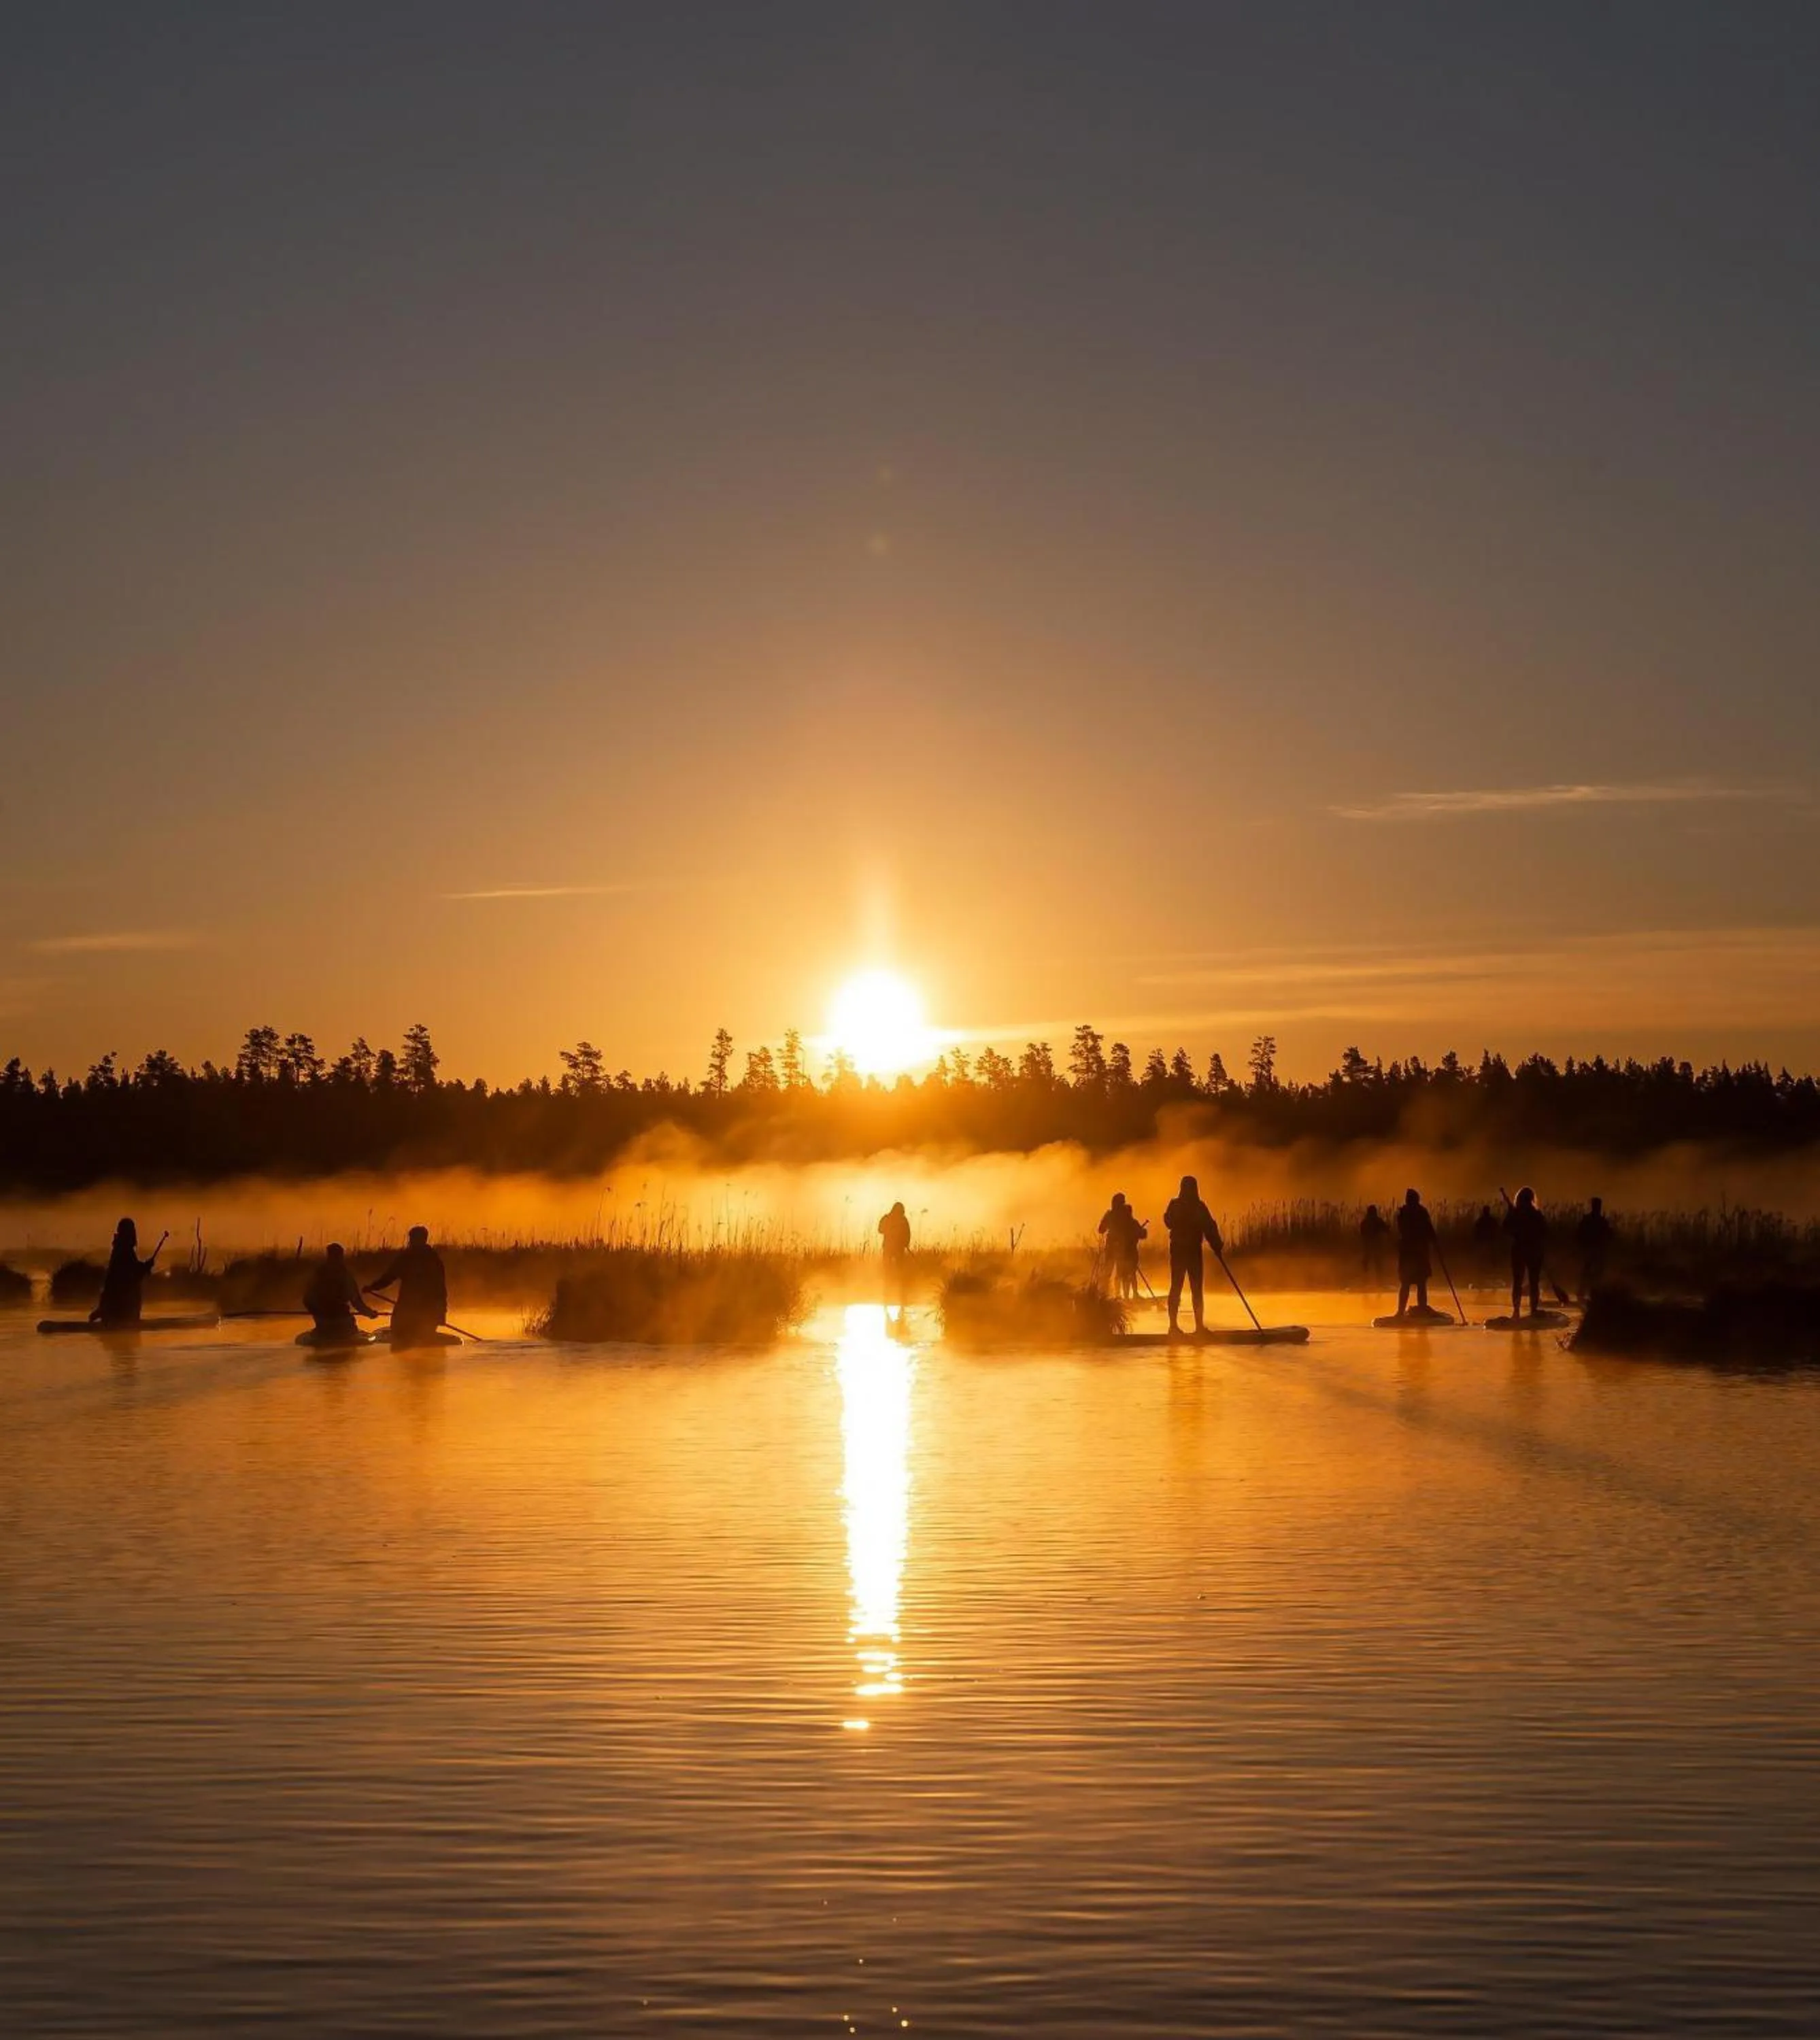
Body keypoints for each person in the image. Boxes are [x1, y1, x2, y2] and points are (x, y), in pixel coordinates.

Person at [1162, 1174, 1223, 1336]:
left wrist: (1216, 1245)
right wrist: (1216, 1244)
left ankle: (1183, 1327)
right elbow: (1209, 1227)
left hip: (1183, 1250)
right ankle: (1181, 1327)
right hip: (1186, 1251)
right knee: (1186, 1288)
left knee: (1183, 1287)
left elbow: (1209, 1227)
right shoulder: (1196, 1206)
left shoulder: (1182, 1205)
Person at [369, 1225, 448, 1346]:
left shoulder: (408, 1257)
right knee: (422, 1336)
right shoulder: (433, 1258)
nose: (410, 1241)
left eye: (412, 1238)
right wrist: (441, 1312)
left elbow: (389, 1277)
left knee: (400, 1336)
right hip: (426, 1309)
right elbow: (441, 1288)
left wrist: (372, 1287)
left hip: (409, 1308)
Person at [91, 1217, 161, 1326]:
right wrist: (146, 1267)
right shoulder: (124, 1250)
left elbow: (129, 1271)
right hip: (123, 1307)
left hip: (116, 1305)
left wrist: (145, 1267)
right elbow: (130, 1275)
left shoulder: (120, 1249)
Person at [302, 1243, 375, 1340]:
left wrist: (317, 1313)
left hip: (323, 1323)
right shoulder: (345, 1276)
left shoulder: (317, 1275)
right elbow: (356, 1303)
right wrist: (370, 1314)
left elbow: (307, 1300)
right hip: (342, 1322)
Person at [1504, 1187, 1549, 1318]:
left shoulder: (1526, 1214)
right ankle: (1530, 1310)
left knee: (1520, 1281)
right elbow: (1544, 1232)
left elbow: (1506, 1229)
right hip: (1529, 1250)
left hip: (1524, 1250)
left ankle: (1517, 1311)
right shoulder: (1535, 1214)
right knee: (1532, 1282)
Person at [1097, 1193, 1149, 1302]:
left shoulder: (1113, 1215)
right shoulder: (1123, 1215)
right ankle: (1116, 1295)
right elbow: (1101, 1229)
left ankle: (1115, 1296)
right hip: (1120, 1249)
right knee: (1122, 1272)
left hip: (1121, 1248)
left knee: (1121, 1272)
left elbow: (1101, 1230)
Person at [1394, 1189, 1436, 1317]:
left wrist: (1433, 1239)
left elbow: (1429, 1230)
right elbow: (1406, 1230)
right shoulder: (1406, 1213)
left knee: (1420, 1282)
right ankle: (1402, 1311)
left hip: (1418, 1253)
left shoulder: (1420, 1212)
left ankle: (1421, 1310)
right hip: (1411, 1253)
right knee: (1408, 1282)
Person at [1574, 1196, 1615, 1299]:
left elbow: (1580, 1233)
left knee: (1593, 1272)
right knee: (1592, 1271)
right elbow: (1580, 1234)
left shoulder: (1593, 1220)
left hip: (1595, 1250)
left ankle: (1586, 1292)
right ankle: (1588, 1292)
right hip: (1594, 1250)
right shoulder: (1600, 1221)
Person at [877, 1201, 912, 1309]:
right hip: (889, 1248)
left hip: (898, 1249)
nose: (902, 1213)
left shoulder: (902, 1220)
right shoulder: (888, 1218)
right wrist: (890, 1231)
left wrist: (905, 1242)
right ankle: (887, 1292)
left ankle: (901, 1293)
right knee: (887, 1270)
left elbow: (907, 1234)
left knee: (900, 1270)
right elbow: (880, 1230)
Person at [1359, 1204, 1392, 1282]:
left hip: (1368, 1245)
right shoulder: (1378, 1220)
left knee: (1367, 1263)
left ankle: (1366, 1279)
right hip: (1376, 1245)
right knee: (1377, 1264)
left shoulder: (1365, 1222)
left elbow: (1362, 1233)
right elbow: (1386, 1230)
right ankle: (1378, 1280)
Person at [1470, 1204, 1500, 1276]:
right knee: (1489, 1258)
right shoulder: (1491, 1220)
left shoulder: (1481, 1220)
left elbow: (1476, 1231)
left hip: (1485, 1242)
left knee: (1486, 1258)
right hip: (1487, 1241)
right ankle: (1490, 1272)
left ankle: (1485, 1272)